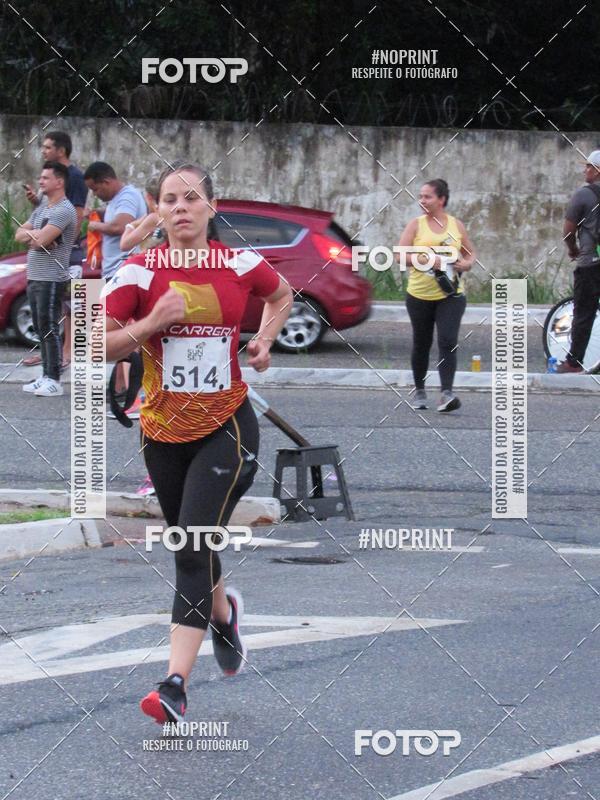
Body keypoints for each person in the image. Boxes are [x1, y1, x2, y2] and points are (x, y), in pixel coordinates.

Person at [101, 161, 292, 723]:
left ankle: (174, 685)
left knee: (189, 543)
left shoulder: (238, 263)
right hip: (161, 432)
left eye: (191, 197)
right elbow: (92, 345)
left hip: (227, 427)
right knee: (196, 542)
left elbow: (281, 295)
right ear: (157, 211)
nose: (180, 207)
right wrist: (151, 321)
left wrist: (264, 339)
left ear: (212, 207)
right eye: (169, 199)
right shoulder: (138, 272)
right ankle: (224, 613)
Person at [397, 179, 476, 412]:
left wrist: (467, 264)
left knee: (448, 341)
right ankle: (420, 391)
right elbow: (400, 255)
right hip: (419, 294)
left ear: (441, 199)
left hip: (451, 295)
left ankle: (446, 394)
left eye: (427, 197)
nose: (422, 201)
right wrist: (428, 259)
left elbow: (470, 253)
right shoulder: (416, 225)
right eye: (420, 197)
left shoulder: (456, 225)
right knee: (422, 343)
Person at [22, 131, 88, 369]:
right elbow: (40, 213)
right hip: (46, 241)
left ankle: (67, 353)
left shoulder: (75, 177)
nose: (43, 150)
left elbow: (78, 212)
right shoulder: (50, 176)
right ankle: (49, 354)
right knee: (47, 309)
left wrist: (66, 241)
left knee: (70, 303)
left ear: (61, 150)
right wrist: (34, 202)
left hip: (66, 248)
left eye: (48, 147)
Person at [15, 162, 76, 397]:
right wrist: (37, 236)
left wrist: (38, 238)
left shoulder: (63, 209)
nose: (40, 182)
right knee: (41, 328)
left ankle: (54, 379)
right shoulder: (42, 208)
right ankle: (45, 375)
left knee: (49, 327)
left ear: (59, 182)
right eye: (40, 178)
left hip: (51, 277)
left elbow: (39, 242)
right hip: (35, 275)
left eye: (45, 178)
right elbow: (21, 233)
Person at [558, 150, 600, 373]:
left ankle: (573, 363)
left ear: (597, 170)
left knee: (584, 313)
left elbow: (568, 231)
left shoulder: (583, 195)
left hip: (591, 263)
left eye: (589, 166)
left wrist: (573, 249)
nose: (585, 170)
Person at [83, 161, 147, 279]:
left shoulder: (128, 196)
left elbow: (119, 227)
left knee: (86, 292)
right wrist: (97, 212)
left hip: (122, 273)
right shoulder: (117, 199)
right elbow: (115, 215)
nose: (94, 194)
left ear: (106, 182)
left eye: (95, 189)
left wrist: (95, 225)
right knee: (85, 293)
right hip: (111, 271)